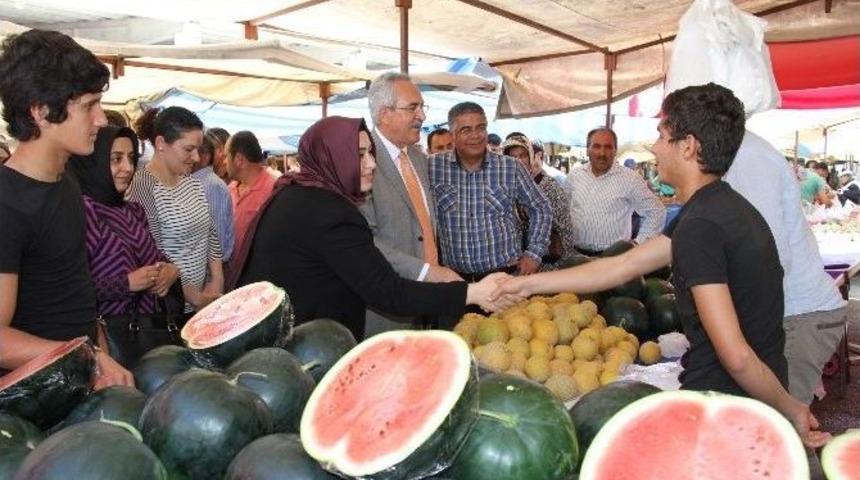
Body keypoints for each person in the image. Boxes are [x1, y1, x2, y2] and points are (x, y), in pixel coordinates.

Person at [494, 83, 829, 448]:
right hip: (745, 398)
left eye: (661, 135)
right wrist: (523, 285)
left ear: (688, 146)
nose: (653, 147)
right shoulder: (718, 207)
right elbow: (621, 267)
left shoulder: (703, 225)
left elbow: (735, 356)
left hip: (725, 407)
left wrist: (790, 407)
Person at [231, 116, 516, 340]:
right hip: (304, 345)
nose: (371, 164)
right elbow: (387, 291)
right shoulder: (329, 212)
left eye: (371, 153)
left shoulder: (297, 192)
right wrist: (473, 293)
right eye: (359, 155)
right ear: (332, 157)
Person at [0, 29, 132, 387]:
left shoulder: (67, 176)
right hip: (36, 405)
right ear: (42, 112)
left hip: (80, 379)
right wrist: (88, 354)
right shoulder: (7, 203)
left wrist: (97, 345)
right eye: (89, 106)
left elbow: (73, 282)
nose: (102, 120)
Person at [359, 73, 461, 334]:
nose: (422, 116)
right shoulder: (361, 162)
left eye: (422, 107)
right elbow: (364, 241)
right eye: (412, 108)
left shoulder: (418, 157)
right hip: (391, 310)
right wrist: (426, 272)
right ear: (384, 113)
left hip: (430, 300)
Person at [429, 102, 552, 280]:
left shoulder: (510, 167)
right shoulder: (434, 167)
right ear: (452, 136)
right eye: (466, 130)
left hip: (504, 277)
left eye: (481, 128)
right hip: (456, 282)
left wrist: (534, 253)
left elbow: (541, 207)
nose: (476, 136)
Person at [68, 125, 181, 316]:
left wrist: (170, 269)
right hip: (105, 334)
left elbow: (153, 255)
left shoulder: (133, 210)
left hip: (147, 328)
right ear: (94, 162)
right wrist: (126, 283)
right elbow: (70, 288)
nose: (128, 168)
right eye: (116, 159)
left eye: (131, 158)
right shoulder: (83, 211)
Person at [127, 106, 223, 313]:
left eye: (198, 149)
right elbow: (153, 256)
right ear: (161, 144)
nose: (197, 157)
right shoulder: (143, 187)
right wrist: (198, 299)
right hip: (169, 307)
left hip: (203, 300)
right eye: (188, 149)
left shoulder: (191, 181)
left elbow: (210, 232)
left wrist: (216, 279)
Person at [566, 127, 666, 255]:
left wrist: (637, 245)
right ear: (587, 150)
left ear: (615, 151)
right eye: (596, 146)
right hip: (577, 256)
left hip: (614, 260)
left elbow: (657, 211)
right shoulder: (574, 176)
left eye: (608, 147)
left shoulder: (630, 179)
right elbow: (563, 213)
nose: (602, 153)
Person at [502, 134, 575, 264]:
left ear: (531, 156)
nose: (517, 161)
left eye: (522, 155)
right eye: (512, 157)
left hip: (548, 261)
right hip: (516, 262)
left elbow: (565, 229)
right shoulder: (504, 188)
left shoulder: (548, 186)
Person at [226, 130, 277, 253]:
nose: (224, 162)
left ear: (239, 159)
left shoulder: (273, 191)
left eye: (226, 156)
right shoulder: (230, 188)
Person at [192, 132, 235, 263]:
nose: (190, 157)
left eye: (191, 150)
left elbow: (218, 246)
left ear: (204, 157)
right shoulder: (198, 183)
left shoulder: (211, 186)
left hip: (208, 277)